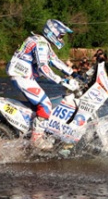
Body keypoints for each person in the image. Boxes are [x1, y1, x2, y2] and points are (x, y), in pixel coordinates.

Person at [6, 19, 77, 148]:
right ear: (53, 32)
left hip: (24, 76)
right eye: (61, 35)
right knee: (45, 104)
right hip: (22, 77)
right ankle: (36, 141)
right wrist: (60, 80)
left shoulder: (41, 41)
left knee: (40, 103)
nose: (61, 38)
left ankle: (33, 128)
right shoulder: (41, 44)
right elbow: (43, 67)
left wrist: (73, 73)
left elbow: (54, 60)